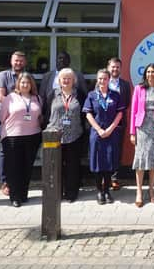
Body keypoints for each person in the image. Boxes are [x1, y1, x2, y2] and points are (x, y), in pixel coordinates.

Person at [0, 72, 43, 207]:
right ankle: (15, 196)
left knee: (27, 167)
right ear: (18, 84)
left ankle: (24, 194)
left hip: (33, 136)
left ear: (31, 85)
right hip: (13, 137)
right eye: (23, 82)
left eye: (28, 83)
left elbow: (40, 116)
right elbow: (2, 118)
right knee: (13, 167)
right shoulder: (9, 98)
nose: (25, 85)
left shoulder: (37, 98)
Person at [130, 63, 154, 208]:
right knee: (140, 160)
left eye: (153, 72)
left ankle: (152, 190)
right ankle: (139, 191)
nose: (150, 74)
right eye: (148, 72)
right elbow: (134, 112)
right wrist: (132, 132)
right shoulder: (138, 89)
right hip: (142, 128)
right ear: (145, 74)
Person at [83, 69, 126, 205]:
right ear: (97, 80)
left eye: (105, 79)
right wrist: (99, 129)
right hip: (97, 134)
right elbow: (88, 114)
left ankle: (107, 190)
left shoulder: (115, 95)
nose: (102, 81)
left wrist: (110, 129)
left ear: (109, 80)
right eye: (100, 78)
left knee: (108, 162)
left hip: (111, 133)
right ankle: (99, 191)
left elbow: (120, 114)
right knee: (97, 163)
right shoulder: (91, 95)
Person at [45, 68, 85, 202]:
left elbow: (84, 114)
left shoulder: (79, 94)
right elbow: (46, 113)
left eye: (69, 78)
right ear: (59, 81)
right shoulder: (52, 94)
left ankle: (71, 193)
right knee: (55, 166)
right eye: (64, 78)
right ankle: (57, 192)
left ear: (74, 80)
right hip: (55, 137)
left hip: (74, 136)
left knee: (73, 167)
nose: (66, 80)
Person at [0, 51, 26, 197]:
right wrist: (17, 105)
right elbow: (0, 96)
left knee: (19, 152)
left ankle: (18, 181)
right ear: (11, 61)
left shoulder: (26, 76)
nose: (18, 63)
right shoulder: (3, 75)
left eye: (21, 61)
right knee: (5, 151)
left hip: (24, 122)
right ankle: (5, 182)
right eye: (16, 60)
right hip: (7, 119)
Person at [107, 57, 132, 190]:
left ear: (120, 69)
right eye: (113, 67)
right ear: (108, 68)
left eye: (117, 67)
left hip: (120, 122)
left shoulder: (125, 85)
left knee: (117, 150)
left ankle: (114, 178)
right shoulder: (101, 82)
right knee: (104, 150)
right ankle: (105, 178)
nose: (115, 69)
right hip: (103, 123)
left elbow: (126, 103)